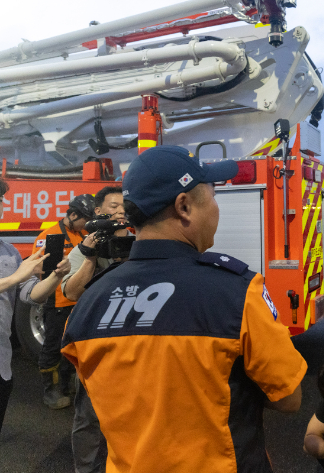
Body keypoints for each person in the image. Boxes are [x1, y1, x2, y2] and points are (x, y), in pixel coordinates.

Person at [61, 145, 306, 473]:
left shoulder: (90, 302)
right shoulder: (237, 293)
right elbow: (289, 398)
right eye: (213, 195)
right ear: (184, 206)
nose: (217, 207)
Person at [61, 185, 127, 473]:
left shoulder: (141, 242)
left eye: (124, 206)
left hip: (133, 340)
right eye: (113, 206)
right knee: (88, 415)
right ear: (99, 212)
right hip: (95, 342)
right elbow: (72, 292)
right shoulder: (85, 249)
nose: (120, 211)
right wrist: (90, 256)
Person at [0, 177, 70, 433]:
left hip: (2, 362)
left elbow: (30, 295)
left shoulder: (10, 252)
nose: (2, 205)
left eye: (0, 200)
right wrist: (16, 276)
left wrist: (55, 276)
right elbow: (16, 281)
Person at [31, 194, 93, 409]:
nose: (88, 222)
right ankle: (51, 390)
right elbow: (40, 271)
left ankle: (66, 386)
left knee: (72, 347)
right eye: (85, 217)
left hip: (78, 302)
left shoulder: (85, 233)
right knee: (52, 347)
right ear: (73, 214)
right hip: (56, 303)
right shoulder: (50, 236)